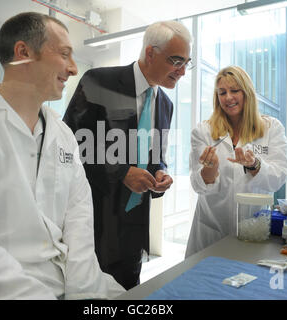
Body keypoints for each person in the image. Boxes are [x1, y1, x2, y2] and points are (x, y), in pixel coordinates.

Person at [0, 12, 125, 300]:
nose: (74, 68)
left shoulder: (63, 135)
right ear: (23, 53)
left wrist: (84, 292)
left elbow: (79, 218)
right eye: (65, 54)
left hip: (62, 282)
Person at [63, 21, 192, 289]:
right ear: (150, 53)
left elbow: (156, 157)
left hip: (134, 228)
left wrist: (161, 174)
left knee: (128, 292)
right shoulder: (99, 81)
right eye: (176, 61)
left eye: (186, 63)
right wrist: (121, 171)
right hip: (92, 222)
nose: (182, 71)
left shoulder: (164, 104)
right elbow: (68, 146)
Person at [186, 65, 287, 257]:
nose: (228, 98)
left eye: (235, 91)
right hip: (211, 230)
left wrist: (255, 165)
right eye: (222, 92)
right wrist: (209, 171)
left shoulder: (271, 128)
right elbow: (197, 185)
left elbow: (280, 176)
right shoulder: (203, 132)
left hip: (254, 229)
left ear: (247, 94)